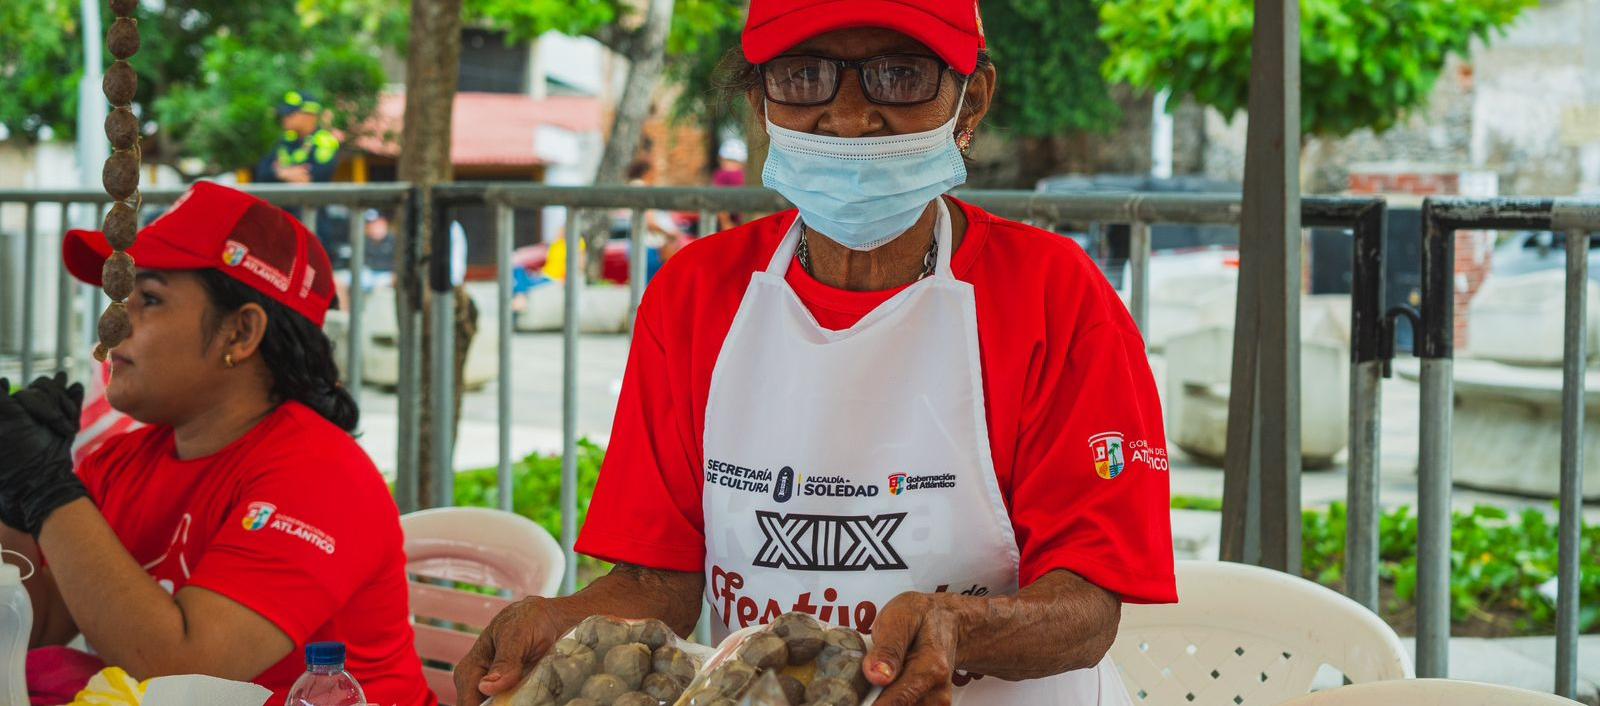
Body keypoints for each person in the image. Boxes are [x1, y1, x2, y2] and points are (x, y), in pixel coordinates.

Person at [456, 1, 1176, 704]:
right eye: (804, 76)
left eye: (901, 75)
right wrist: (557, 621)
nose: (852, 116)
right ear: (761, 101)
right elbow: (658, 582)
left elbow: (1087, 607)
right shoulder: (696, 295)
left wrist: (963, 624)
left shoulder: (1053, 296)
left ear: (973, 99)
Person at [0, 182, 436, 706]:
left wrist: (49, 492)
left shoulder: (320, 474)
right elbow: (34, 624)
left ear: (240, 334)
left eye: (151, 300)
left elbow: (183, 670)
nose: (111, 325)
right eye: (119, 299)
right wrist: (14, 496)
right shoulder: (123, 461)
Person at [254, 90, 341, 185]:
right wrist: (282, 173)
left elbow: (316, 177)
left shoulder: (325, 140)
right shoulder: (286, 139)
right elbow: (261, 173)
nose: (284, 117)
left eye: (289, 113)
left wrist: (279, 171)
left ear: (309, 115)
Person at [711, 139, 748, 231]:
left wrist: (726, 223)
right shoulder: (744, 175)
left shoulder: (721, 175)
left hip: (728, 223)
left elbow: (717, 199)